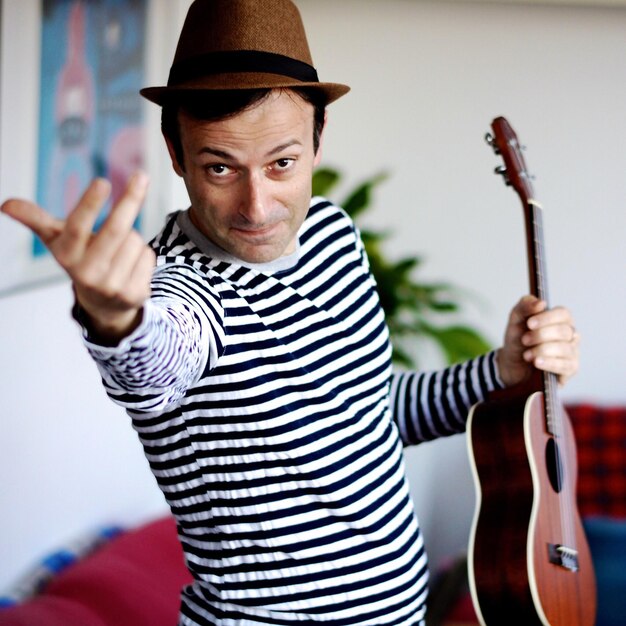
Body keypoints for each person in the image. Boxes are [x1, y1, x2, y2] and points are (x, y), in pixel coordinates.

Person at [1, 1, 580, 625]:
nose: (258, 206)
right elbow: (154, 364)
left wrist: (502, 370)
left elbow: (372, 412)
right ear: (175, 151)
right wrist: (115, 315)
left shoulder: (333, 234)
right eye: (220, 167)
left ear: (318, 139)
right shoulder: (176, 285)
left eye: (282, 163)